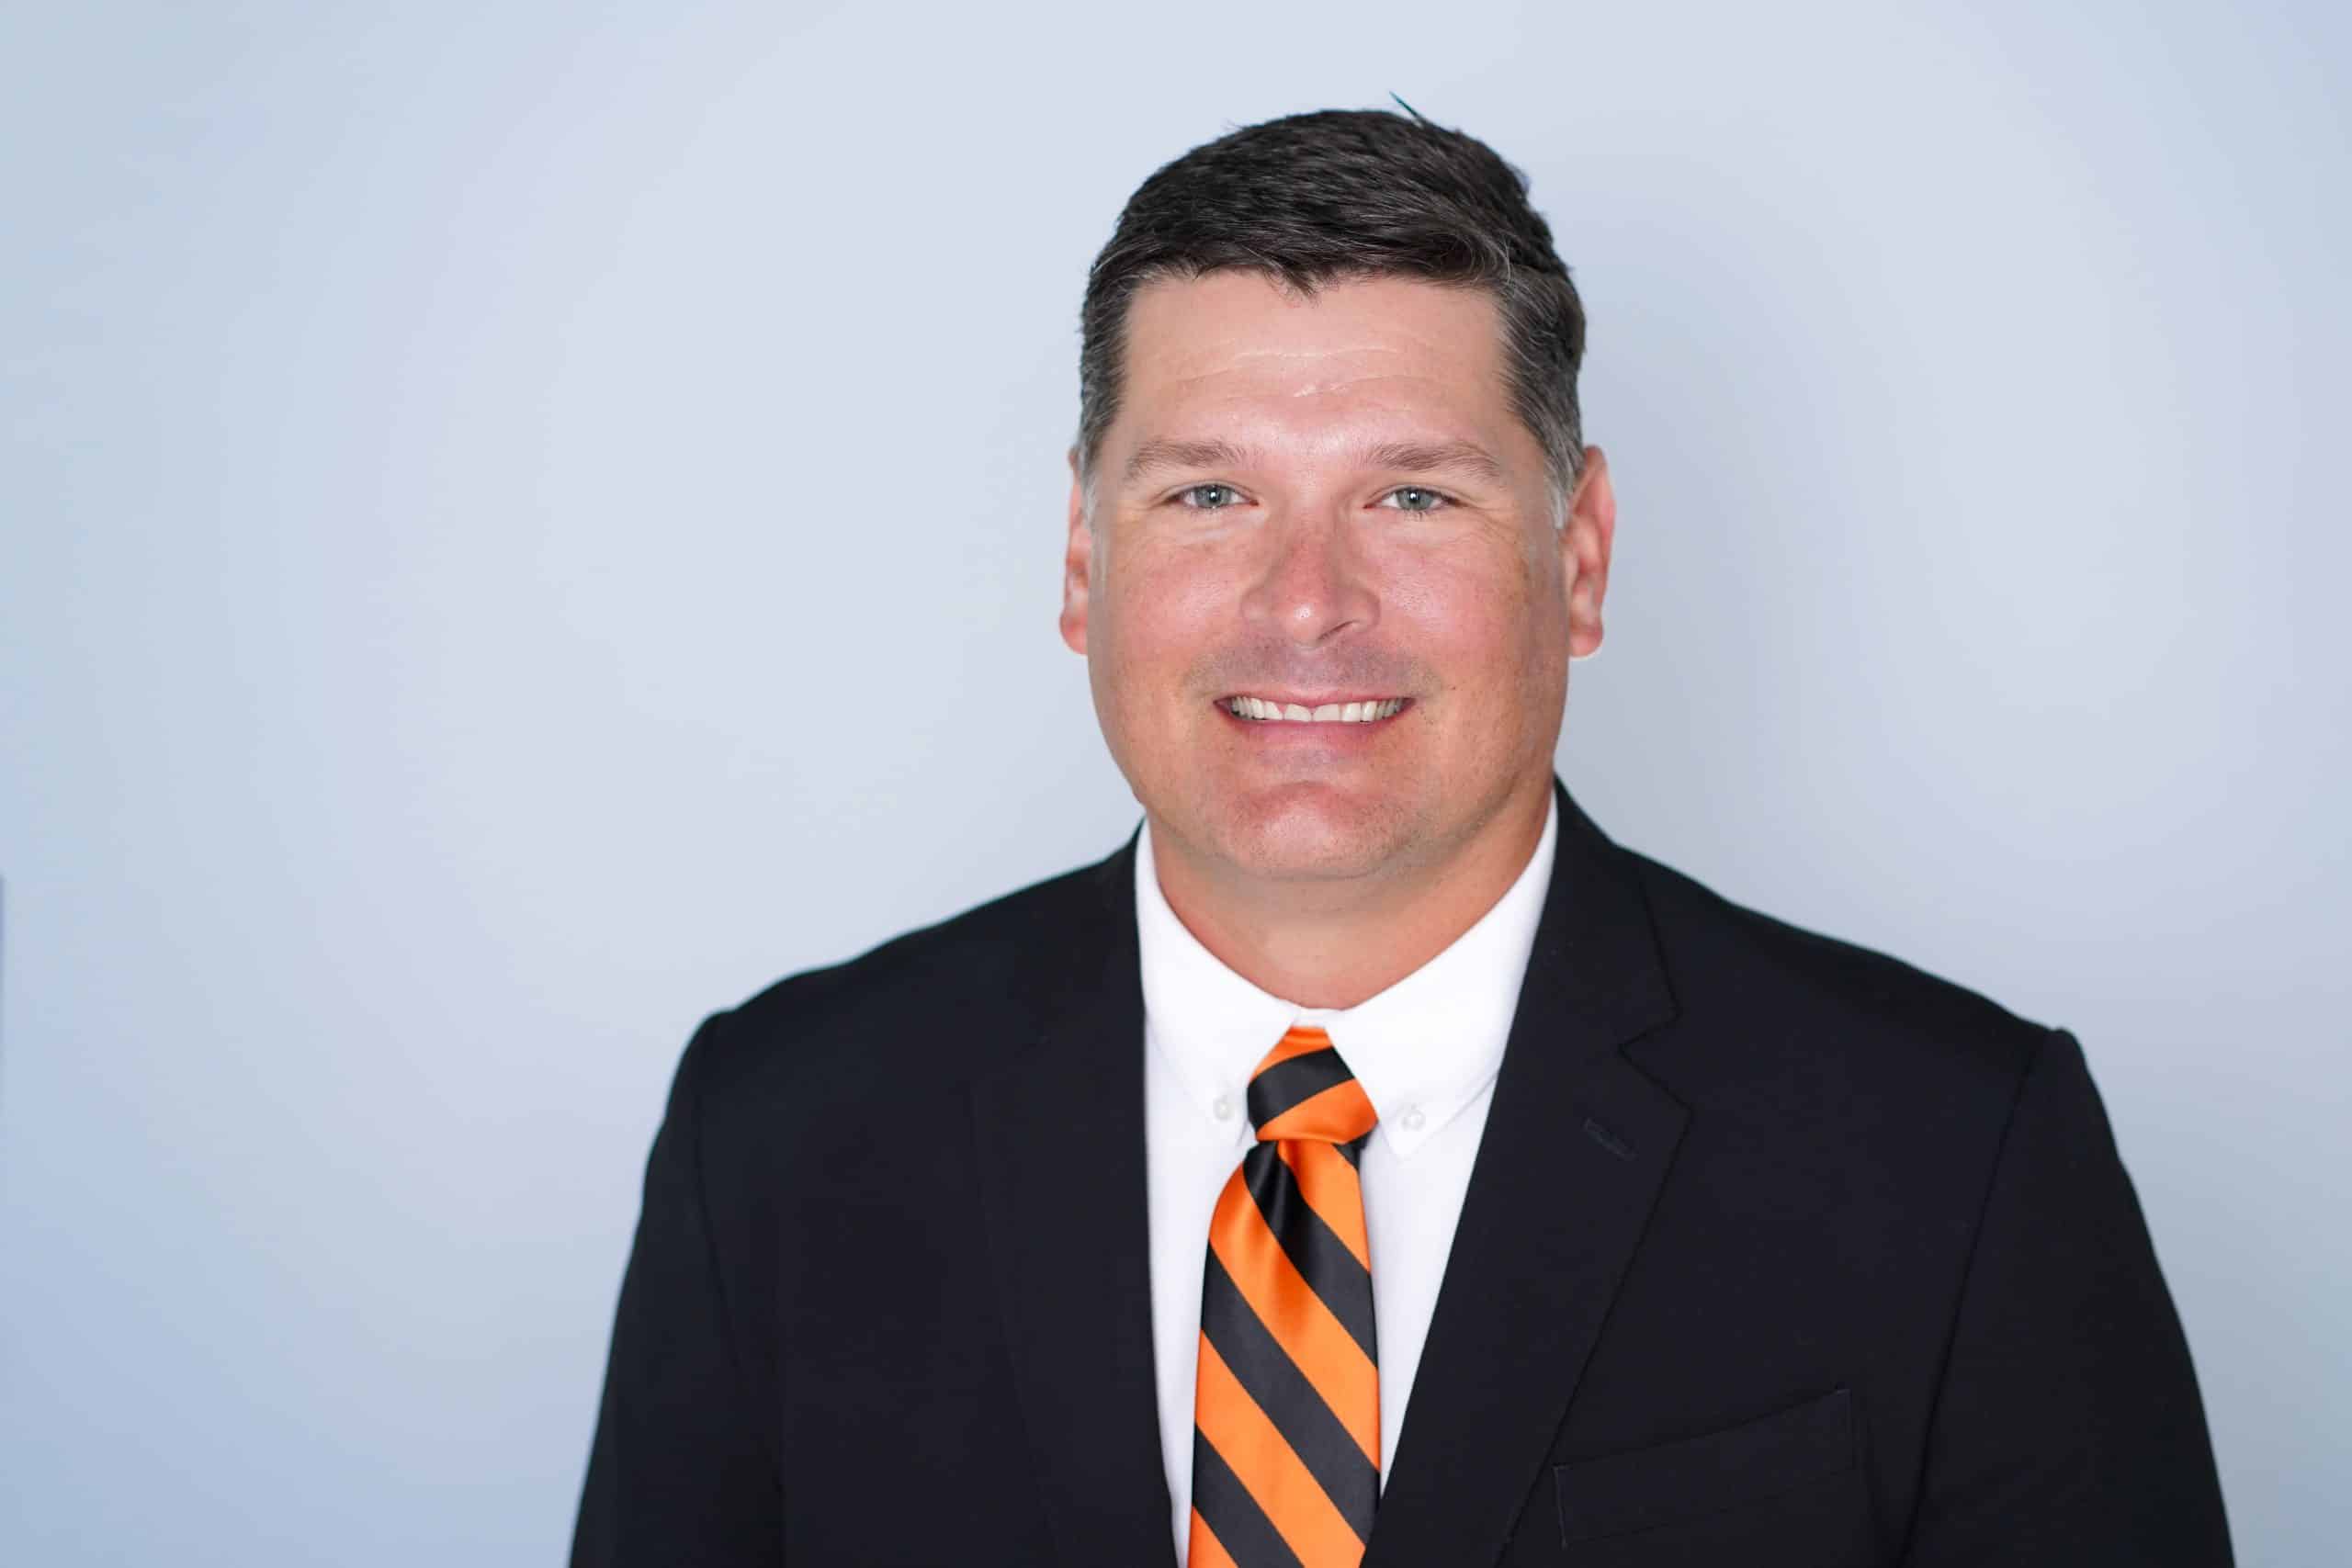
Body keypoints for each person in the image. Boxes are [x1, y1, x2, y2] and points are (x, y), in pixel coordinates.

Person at [570, 107, 2232, 1567]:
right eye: (1208, 495)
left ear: (1576, 558)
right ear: (1083, 560)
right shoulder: (777, 1135)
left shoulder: (1961, 1156)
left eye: (1414, 495)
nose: (1307, 606)